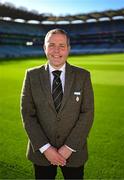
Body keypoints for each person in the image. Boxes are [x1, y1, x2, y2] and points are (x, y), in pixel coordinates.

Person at [20, 28, 94, 180]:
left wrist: (69, 147)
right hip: (41, 154)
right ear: (44, 48)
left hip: (74, 152)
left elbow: (87, 113)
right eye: (51, 44)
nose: (56, 50)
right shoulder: (31, 75)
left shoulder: (83, 76)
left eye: (62, 45)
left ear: (69, 49)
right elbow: (27, 114)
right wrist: (46, 148)